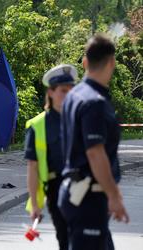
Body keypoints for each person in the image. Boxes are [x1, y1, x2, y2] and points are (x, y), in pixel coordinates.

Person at [58, 34, 129, 250]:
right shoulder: (95, 103)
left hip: (75, 192)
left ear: (85, 62)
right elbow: (95, 153)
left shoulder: (73, 95)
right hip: (89, 198)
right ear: (112, 62)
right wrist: (114, 195)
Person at [25, 64, 78, 250]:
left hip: (83, 184)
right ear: (51, 92)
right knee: (65, 236)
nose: (68, 95)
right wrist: (35, 205)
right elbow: (32, 167)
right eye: (63, 91)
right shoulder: (37, 125)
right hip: (56, 189)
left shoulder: (81, 120)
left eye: (71, 90)